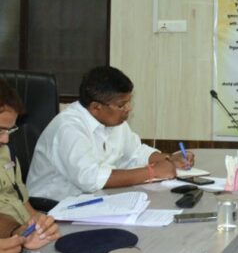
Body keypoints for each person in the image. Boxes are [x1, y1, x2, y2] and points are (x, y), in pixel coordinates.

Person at [27, 66, 194, 201]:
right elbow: (91, 179)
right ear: (96, 107)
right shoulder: (69, 128)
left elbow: (135, 153)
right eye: (121, 105)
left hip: (93, 201)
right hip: (53, 208)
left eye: (129, 102)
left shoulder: (113, 121)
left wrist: (168, 159)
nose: (129, 108)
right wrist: (153, 172)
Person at [0, 79, 60, 253]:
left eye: (9, 130)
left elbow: (20, 200)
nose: (6, 139)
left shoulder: (6, 151)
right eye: (0, 130)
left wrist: (36, 227)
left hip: (19, 244)